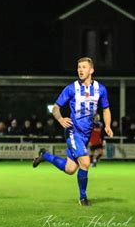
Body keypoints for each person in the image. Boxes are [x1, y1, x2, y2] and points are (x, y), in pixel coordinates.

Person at [33, 57, 113, 206]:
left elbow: (106, 108)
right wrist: (60, 119)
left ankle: (45, 155)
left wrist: (107, 125)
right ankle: (83, 198)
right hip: (72, 131)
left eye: (83, 67)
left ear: (91, 70)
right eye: (78, 67)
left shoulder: (100, 89)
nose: (80, 70)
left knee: (70, 169)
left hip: (85, 135)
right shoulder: (71, 88)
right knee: (86, 162)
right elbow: (56, 107)